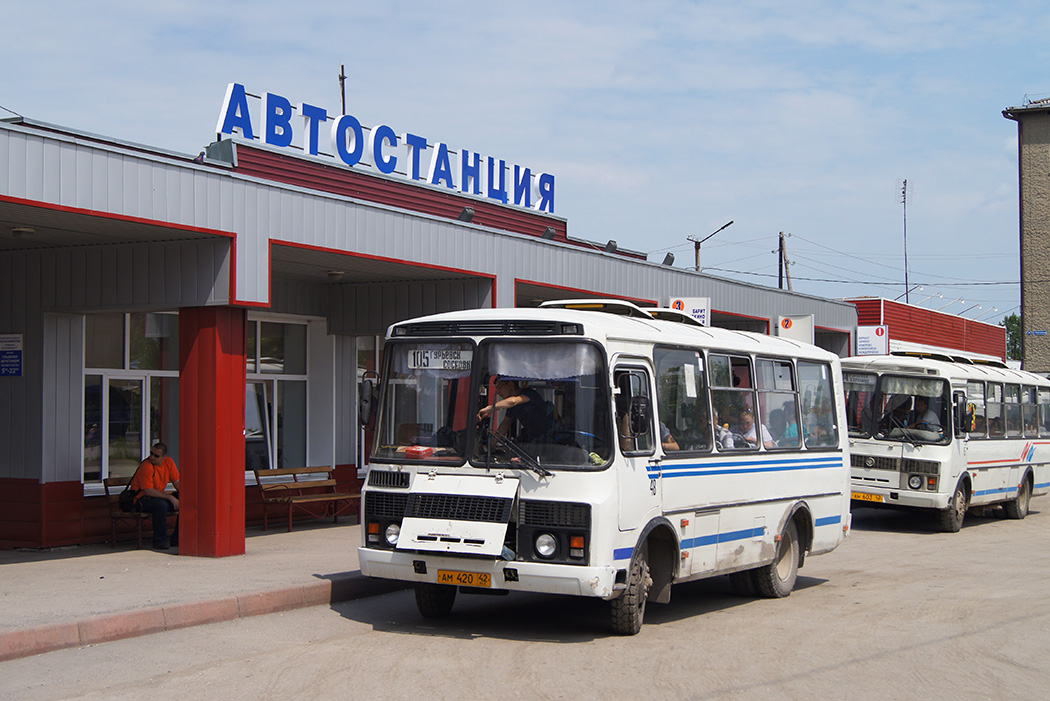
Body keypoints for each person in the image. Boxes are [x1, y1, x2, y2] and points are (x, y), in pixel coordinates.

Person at [129, 442, 180, 550]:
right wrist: (170, 497)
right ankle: (159, 541)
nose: (152, 457)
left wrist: (185, 494)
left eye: (156, 455)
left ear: (163, 457)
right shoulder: (146, 466)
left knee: (183, 499)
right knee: (161, 505)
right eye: (151, 453)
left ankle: (177, 539)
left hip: (157, 497)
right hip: (141, 499)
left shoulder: (169, 462)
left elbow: (177, 482)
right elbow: (148, 491)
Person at [477, 377, 553, 442]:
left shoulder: (529, 393)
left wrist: (489, 408)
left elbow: (513, 401)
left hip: (550, 438)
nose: (498, 392)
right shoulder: (512, 406)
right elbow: (506, 423)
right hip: (535, 439)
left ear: (511, 384)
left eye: (500, 387)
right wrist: (492, 444)